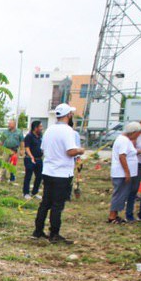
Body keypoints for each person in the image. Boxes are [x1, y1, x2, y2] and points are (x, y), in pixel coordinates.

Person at [33, 104, 84, 243]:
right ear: (68, 115)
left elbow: (43, 149)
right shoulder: (68, 131)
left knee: (45, 203)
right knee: (57, 205)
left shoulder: (49, 130)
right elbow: (70, 151)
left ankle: (38, 231)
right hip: (61, 173)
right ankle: (54, 234)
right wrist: (80, 150)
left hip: (48, 171)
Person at [109, 122, 141, 224]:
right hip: (121, 173)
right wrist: (127, 173)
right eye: (138, 132)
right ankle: (112, 216)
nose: (139, 135)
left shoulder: (124, 140)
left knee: (121, 194)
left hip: (122, 172)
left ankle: (115, 215)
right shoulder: (123, 141)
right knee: (119, 194)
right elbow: (122, 156)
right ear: (133, 132)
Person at [23, 120, 44, 198]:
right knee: (28, 176)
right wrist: (31, 157)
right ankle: (26, 193)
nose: (42, 128)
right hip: (30, 159)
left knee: (39, 176)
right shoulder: (29, 136)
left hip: (39, 159)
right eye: (40, 126)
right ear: (35, 128)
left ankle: (35, 192)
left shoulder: (40, 136)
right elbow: (27, 148)